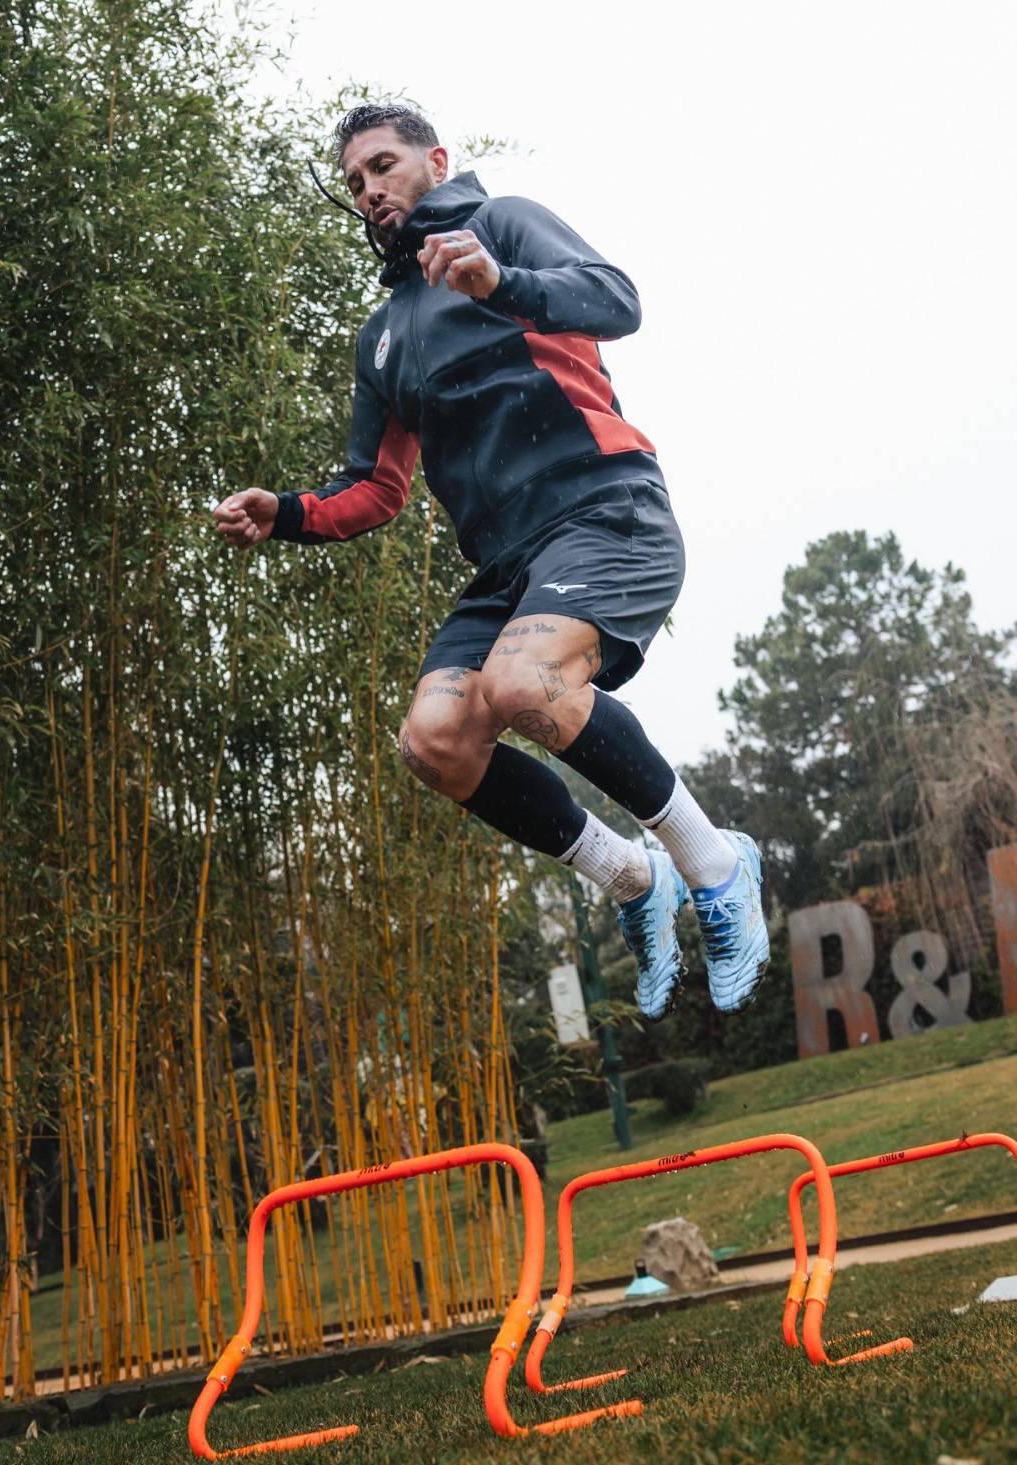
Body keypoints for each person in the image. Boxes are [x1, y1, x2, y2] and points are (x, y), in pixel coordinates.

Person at [215, 102, 768, 1019]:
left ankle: (716, 865)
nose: (371, 191)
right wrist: (285, 516)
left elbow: (616, 298)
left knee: (523, 684)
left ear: (433, 160)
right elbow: (376, 491)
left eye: (383, 166)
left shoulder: (502, 223)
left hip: (603, 508)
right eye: (355, 183)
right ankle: (633, 880)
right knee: (435, 742)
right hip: (507, 568)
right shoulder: (383, 337)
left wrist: (500, 279)